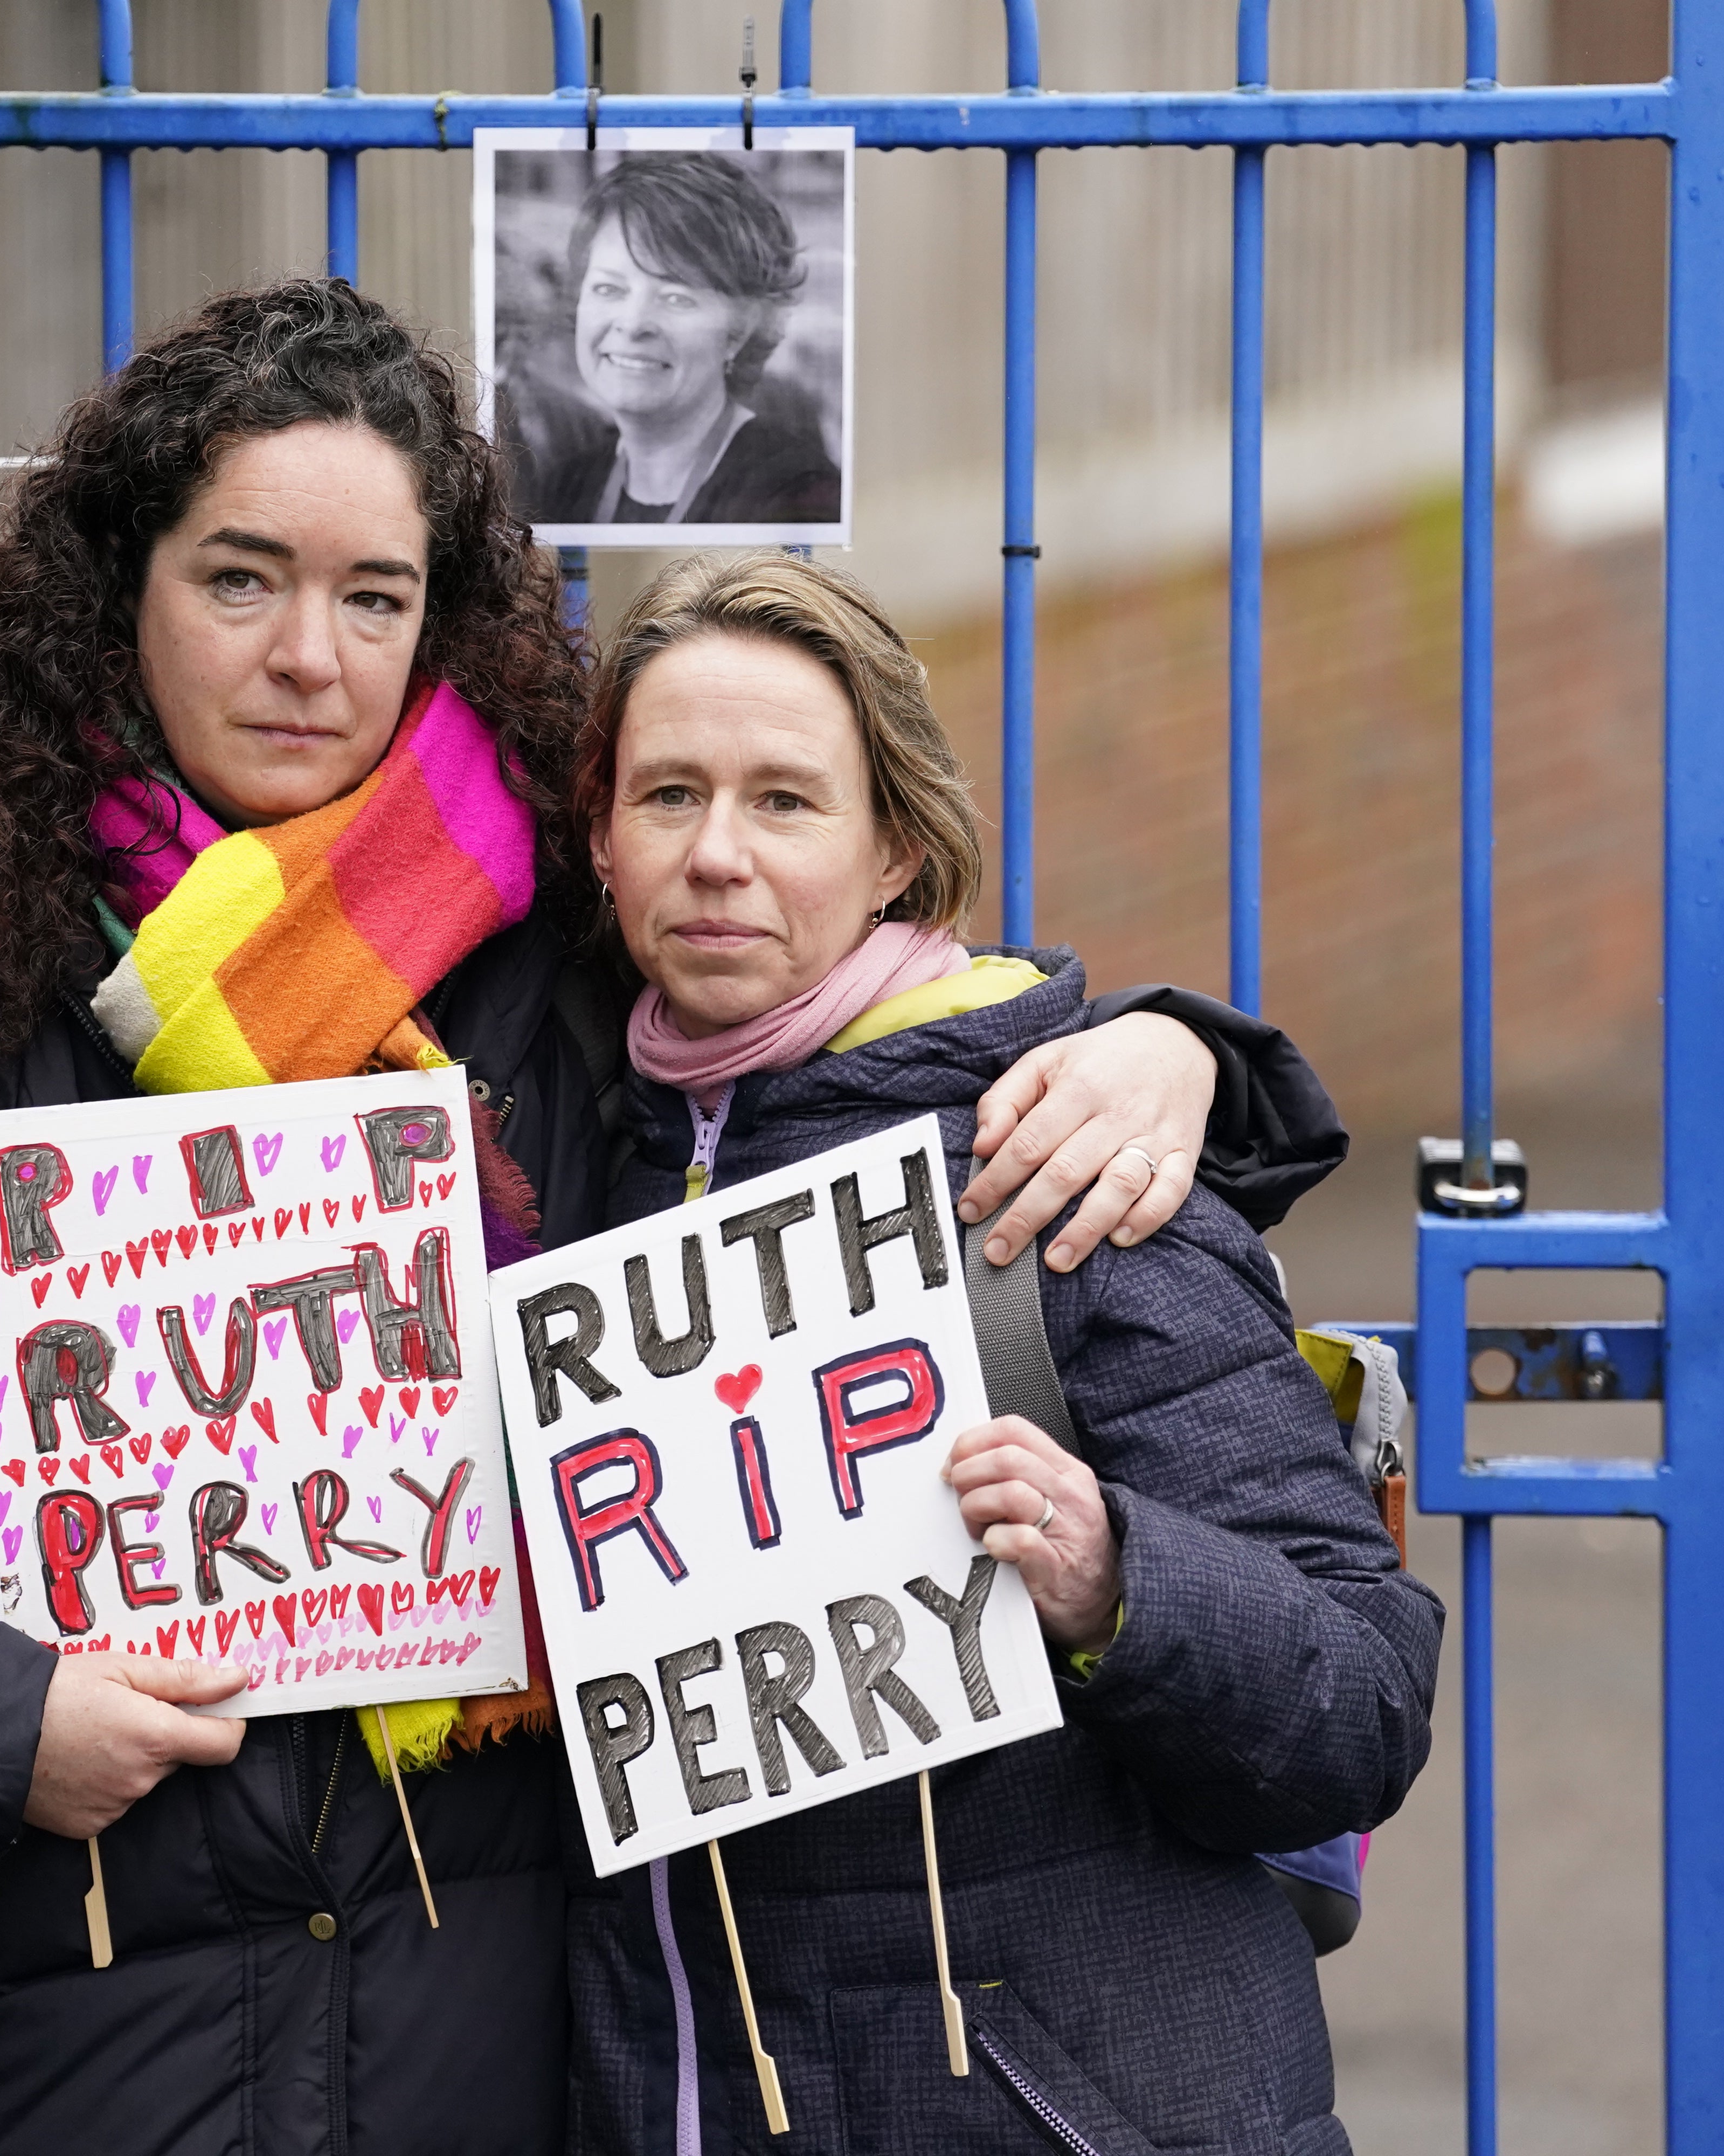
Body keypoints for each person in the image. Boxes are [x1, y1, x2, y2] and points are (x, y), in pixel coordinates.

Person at [0, 280, 1344, 2153]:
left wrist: (1172, 1061)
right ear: (121, 583)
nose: (310, 660)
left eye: (376, 597)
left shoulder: (554, 942)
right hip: (10, 2029)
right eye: (241, 580)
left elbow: (860, 1033)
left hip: (459, 2027)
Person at [566, 550, 1440, 2154]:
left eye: (782, 802)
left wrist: (1120, 1584)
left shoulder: (1056, 1161)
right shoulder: (567, 1179)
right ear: (599, 837)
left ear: (897, 842)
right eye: (667, 793)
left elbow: (1362, 1699)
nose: (713, 856)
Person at [511, 154, 843, 530]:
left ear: (740, 329)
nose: (634, 324)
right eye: (609, 288)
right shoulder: (568, 486)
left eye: (676, 298)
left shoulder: (799, 495)